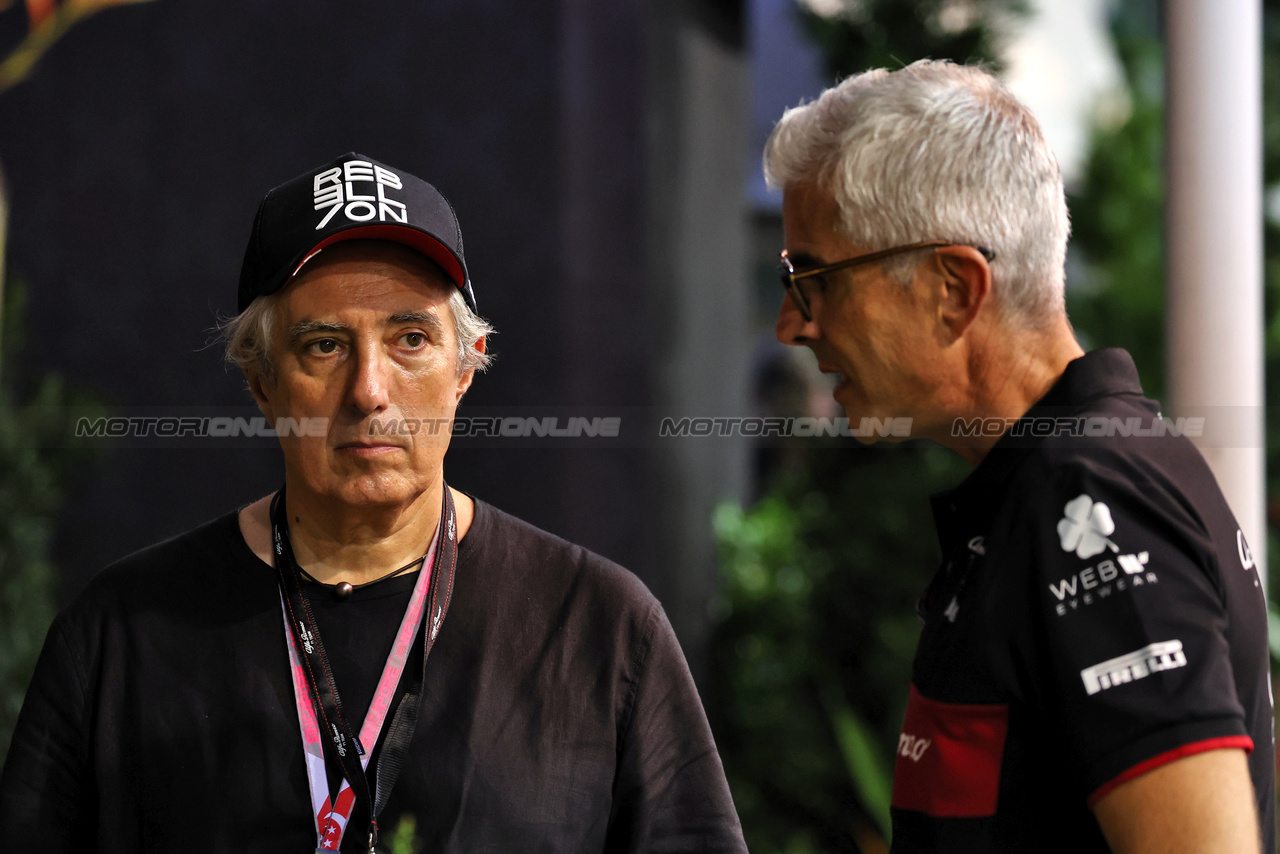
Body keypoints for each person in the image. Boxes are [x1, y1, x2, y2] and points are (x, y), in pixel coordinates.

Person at [0, 152, 747, 853]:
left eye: (411, 339)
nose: (369, 390)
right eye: (324, 345)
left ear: (466, 367)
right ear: (262, 381)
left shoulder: (602, 630)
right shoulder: (119, 638)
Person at [766, 62, 1274, 853]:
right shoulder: (1062, 479)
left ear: (953, 289)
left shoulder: (1091, 498)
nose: (791, 326)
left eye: (813, 280)